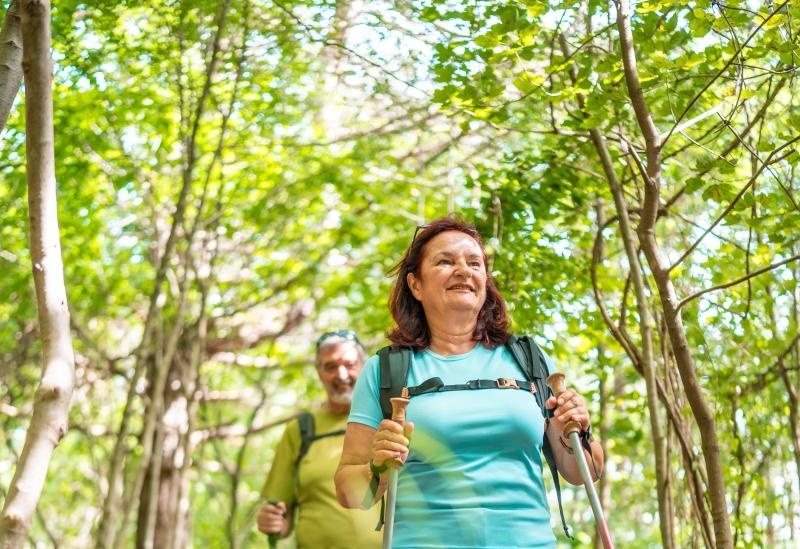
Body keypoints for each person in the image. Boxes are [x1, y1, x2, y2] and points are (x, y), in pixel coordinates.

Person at [334, 217, 606, 548]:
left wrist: (577, 429)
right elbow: (348, 490)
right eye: (445, 261)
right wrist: (377, 469)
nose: (463, 270)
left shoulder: (529, 359)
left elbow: (584, 471)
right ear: (416, 285)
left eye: (474, 263)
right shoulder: (386, 370)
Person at [257, 330, 382, 549]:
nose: (341, 374)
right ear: (319, 373)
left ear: (365, 367)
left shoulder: (387, 420)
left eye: (349, 364)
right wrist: (272, 522)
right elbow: (282, 516)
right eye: (330, 367)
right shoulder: (300, 431)